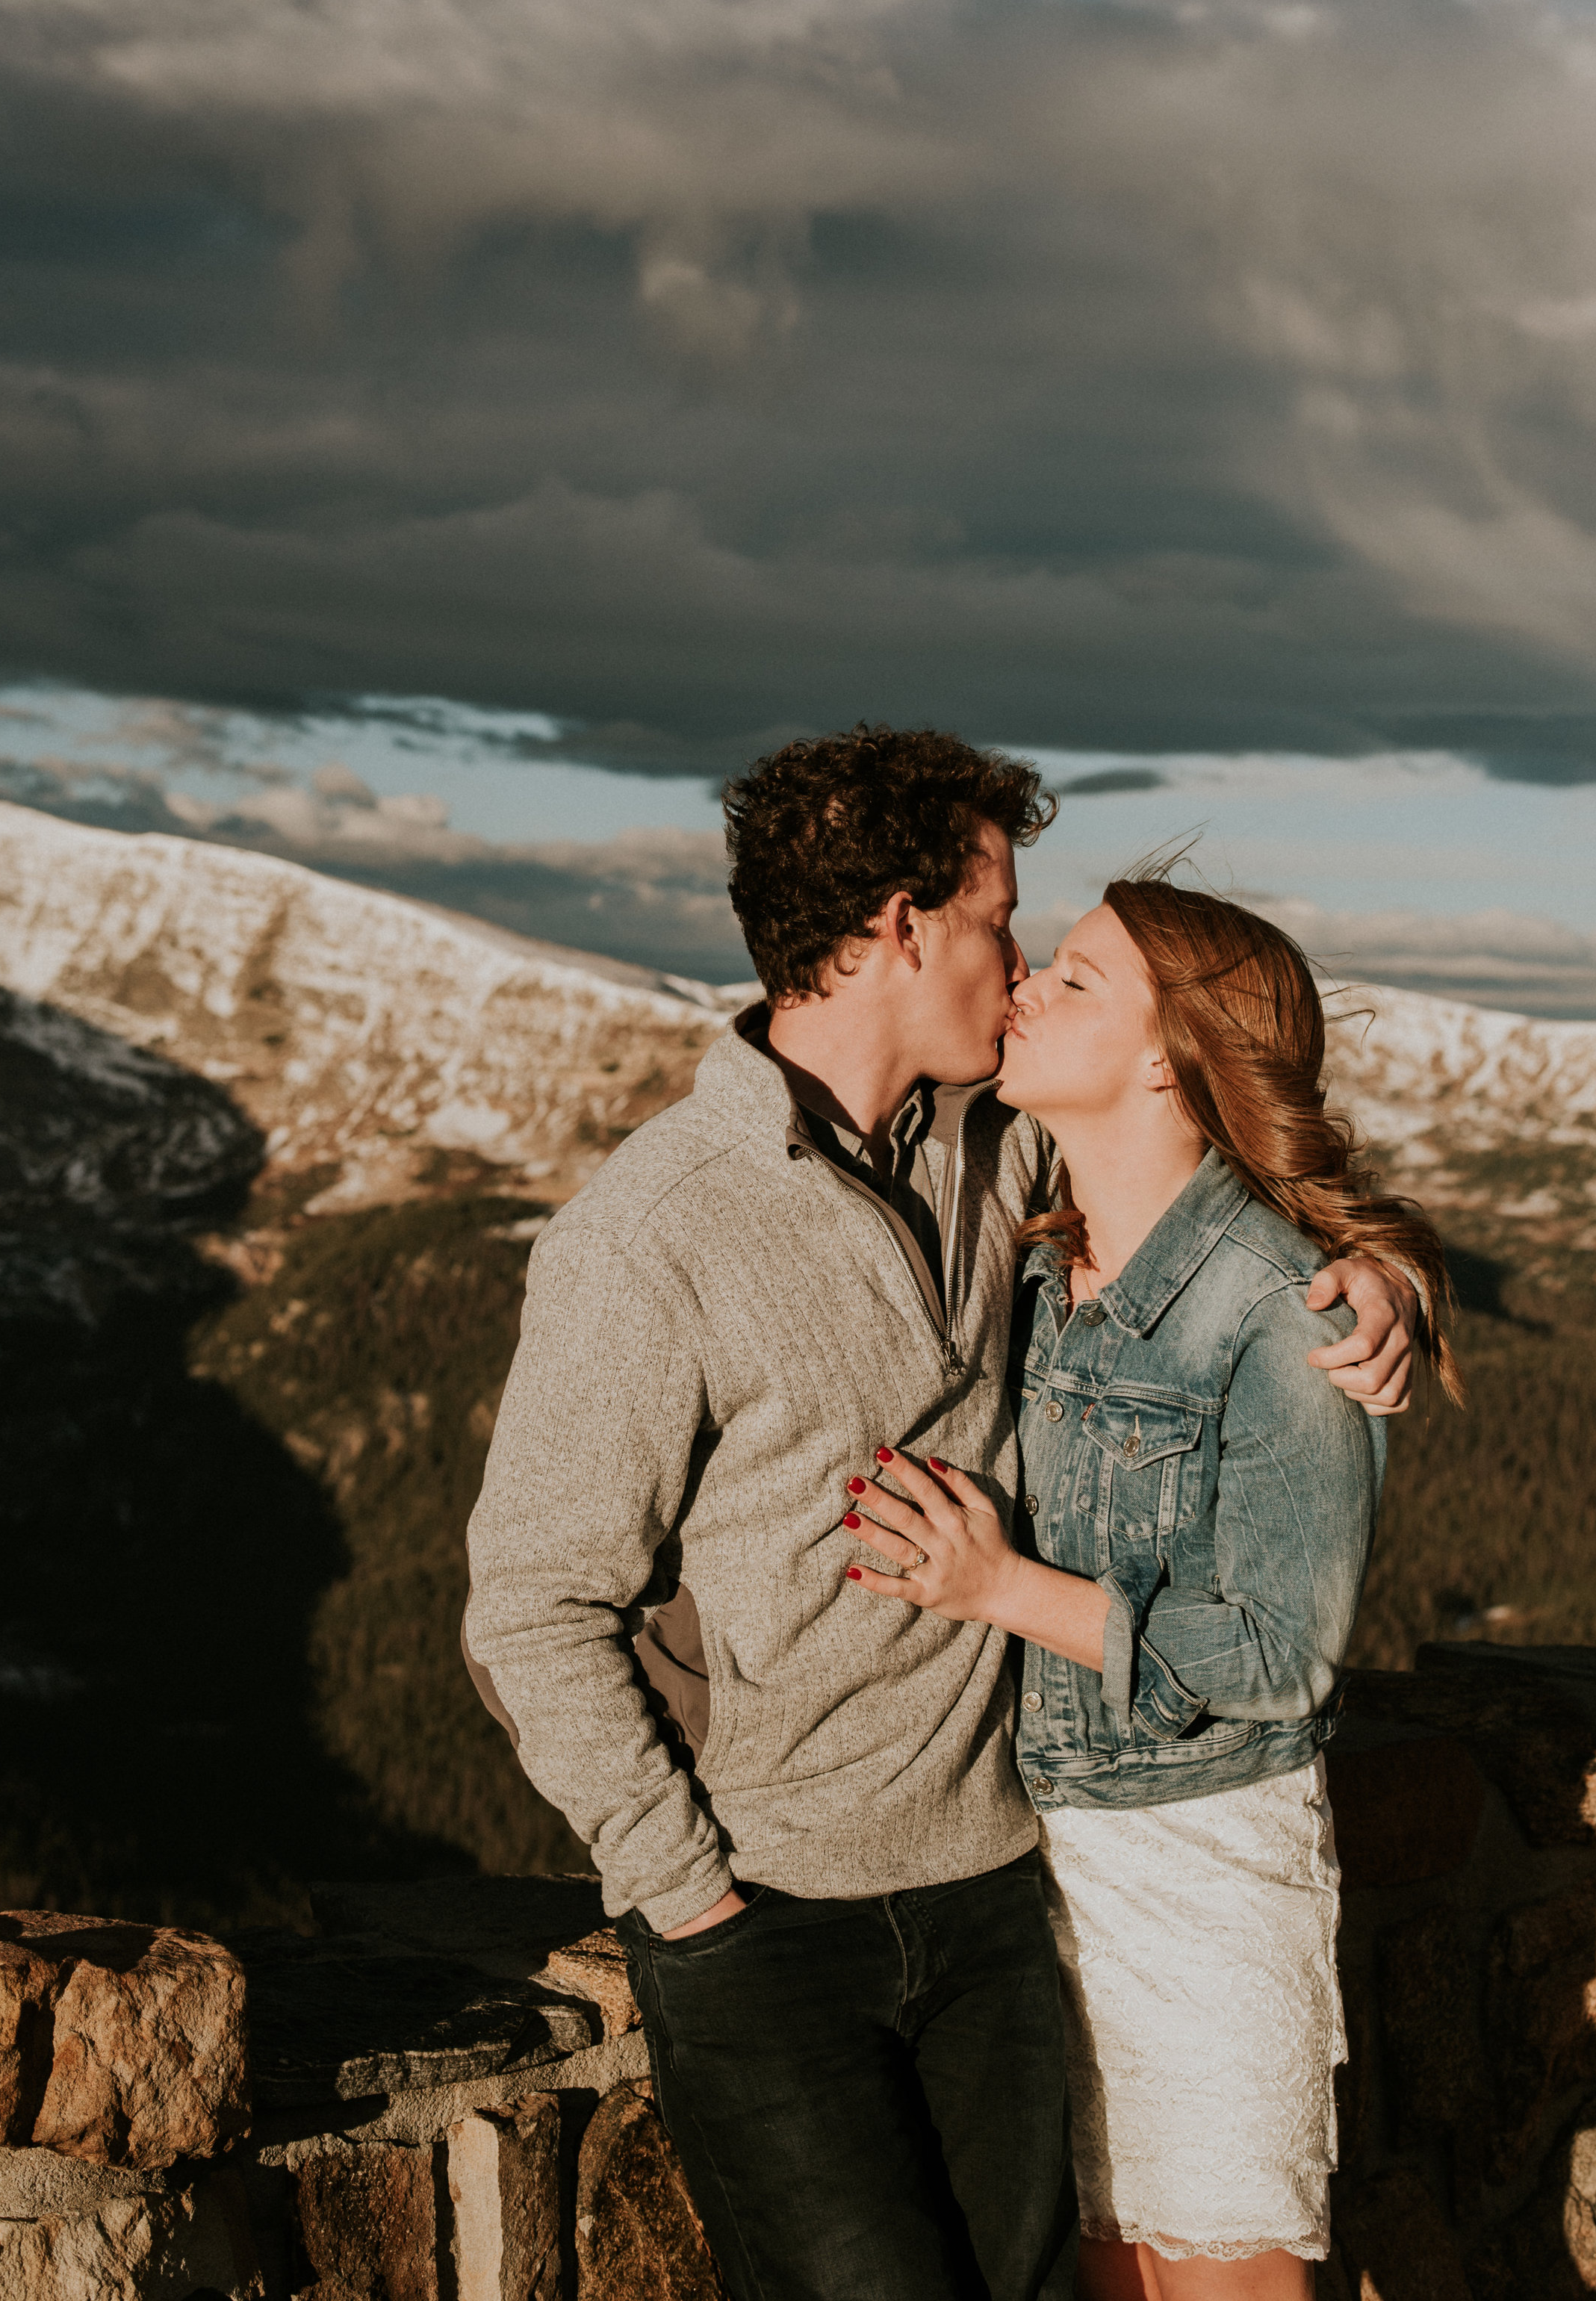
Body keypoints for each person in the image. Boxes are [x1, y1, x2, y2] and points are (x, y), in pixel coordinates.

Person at [465, 731, 1420, 2301]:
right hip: (770, 1926)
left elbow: (1217, 1168)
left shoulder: (1001, 1141)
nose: (1020, 958)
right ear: (903, 928)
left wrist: (1374, 1276)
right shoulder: (652, 1229)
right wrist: (689, 1896)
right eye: (996, 915)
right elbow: (532, 1607)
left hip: (1002, 1900)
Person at [843, 875, 1459, 2300]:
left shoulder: (1281, 1302)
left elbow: (1280, 1654)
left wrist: (1002, 1588)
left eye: (1075, 979)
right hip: (1037, 1866)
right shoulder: (1045, 1258)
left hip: (1205, 1870)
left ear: (1169, 1060)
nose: (1027, 991)